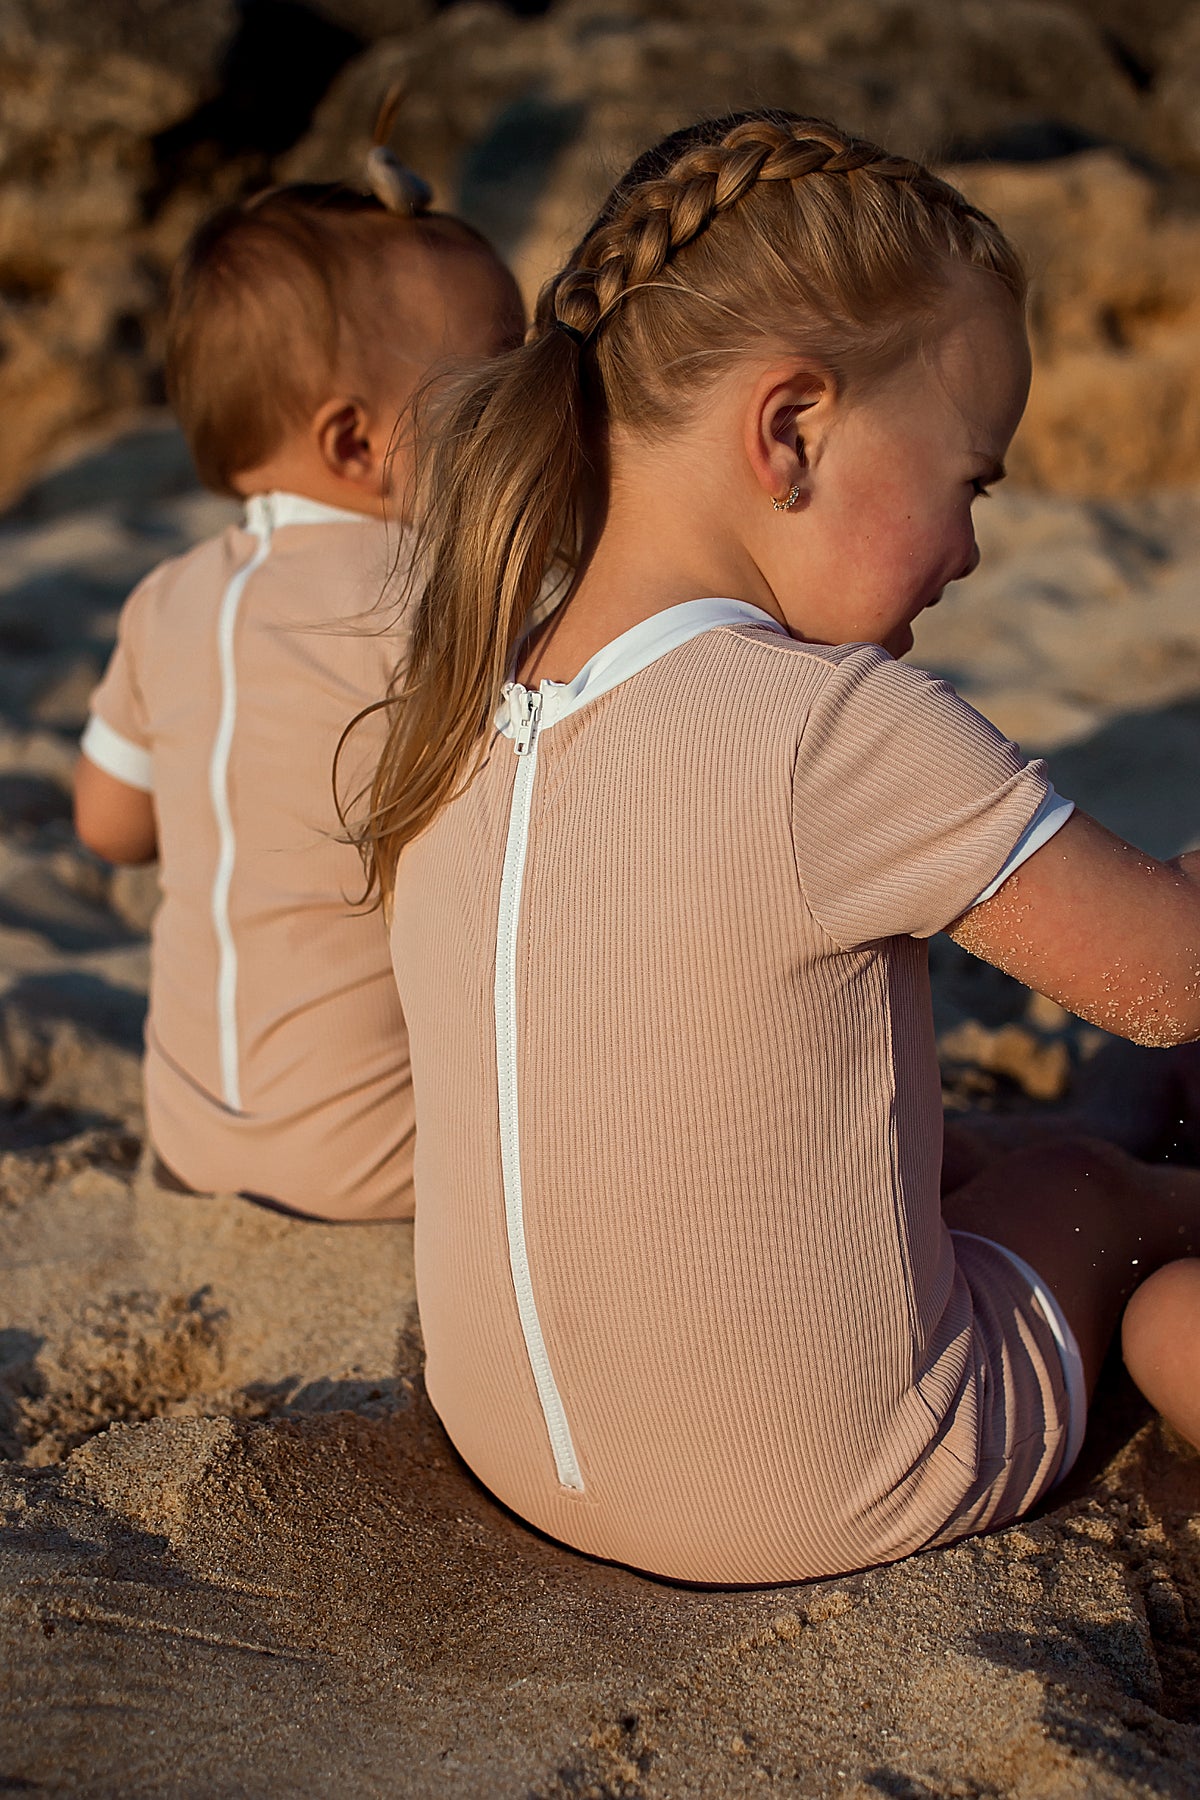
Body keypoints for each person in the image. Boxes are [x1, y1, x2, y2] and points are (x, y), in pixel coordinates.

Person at [358, 109, 1200, 1585]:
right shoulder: (833, 730)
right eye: (970, 482)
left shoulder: (476, 700)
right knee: (1096, 1191)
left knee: (971, 1148)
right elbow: (1167, 977)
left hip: (520, 1442)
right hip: (816, 1482)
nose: (971, 550)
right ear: (793, 428)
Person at [74, 161, 524, 1221]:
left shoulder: (164, 601)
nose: (532, 413)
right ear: (354, 442)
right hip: (395, 1168)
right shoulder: (443, 602)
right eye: (500, 384)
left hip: (191, 1153)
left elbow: (106, 825)